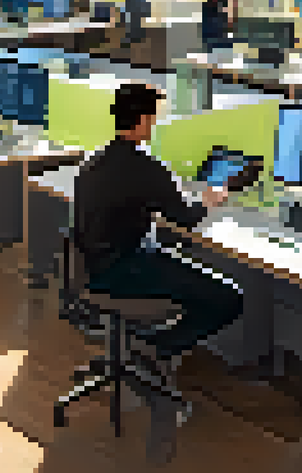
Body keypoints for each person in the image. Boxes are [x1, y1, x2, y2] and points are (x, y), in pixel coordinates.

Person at [71, 84, 244, 440]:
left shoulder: (93, 160)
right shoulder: (145, 166)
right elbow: (187, 218)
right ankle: (160, 346)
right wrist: (213, 198)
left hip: (95, 266)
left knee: (178, 260)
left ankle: (149, 342)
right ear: (145, 120)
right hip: (125, 270)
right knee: (230, 297)